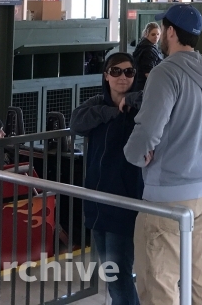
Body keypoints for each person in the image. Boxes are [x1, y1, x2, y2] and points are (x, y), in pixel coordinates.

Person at [124, 4, 202, 305]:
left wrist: (134, 155)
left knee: (158, 282)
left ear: (169, 32)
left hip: (168, 195)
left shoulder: (164, 73)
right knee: (200, 276)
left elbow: (149, 128)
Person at [70, 53, 144, 305]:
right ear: (106, 75)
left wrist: (130, 104)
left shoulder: (144, 108)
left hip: (126, 203)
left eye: (128, 72)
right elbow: (76, 123)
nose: (122, 77)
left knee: (118, 273)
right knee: (111, 270)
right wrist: (108, 112)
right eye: (116, 71)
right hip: (97, 200)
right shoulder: (95, 105)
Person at [132, 22, 163, 91]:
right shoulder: (148, 49)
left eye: (158, 34)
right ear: (147, 34)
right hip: (145, 86)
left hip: (140, 84)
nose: (156, 37)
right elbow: (148, 72)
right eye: (153, 34)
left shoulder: (143, 46)